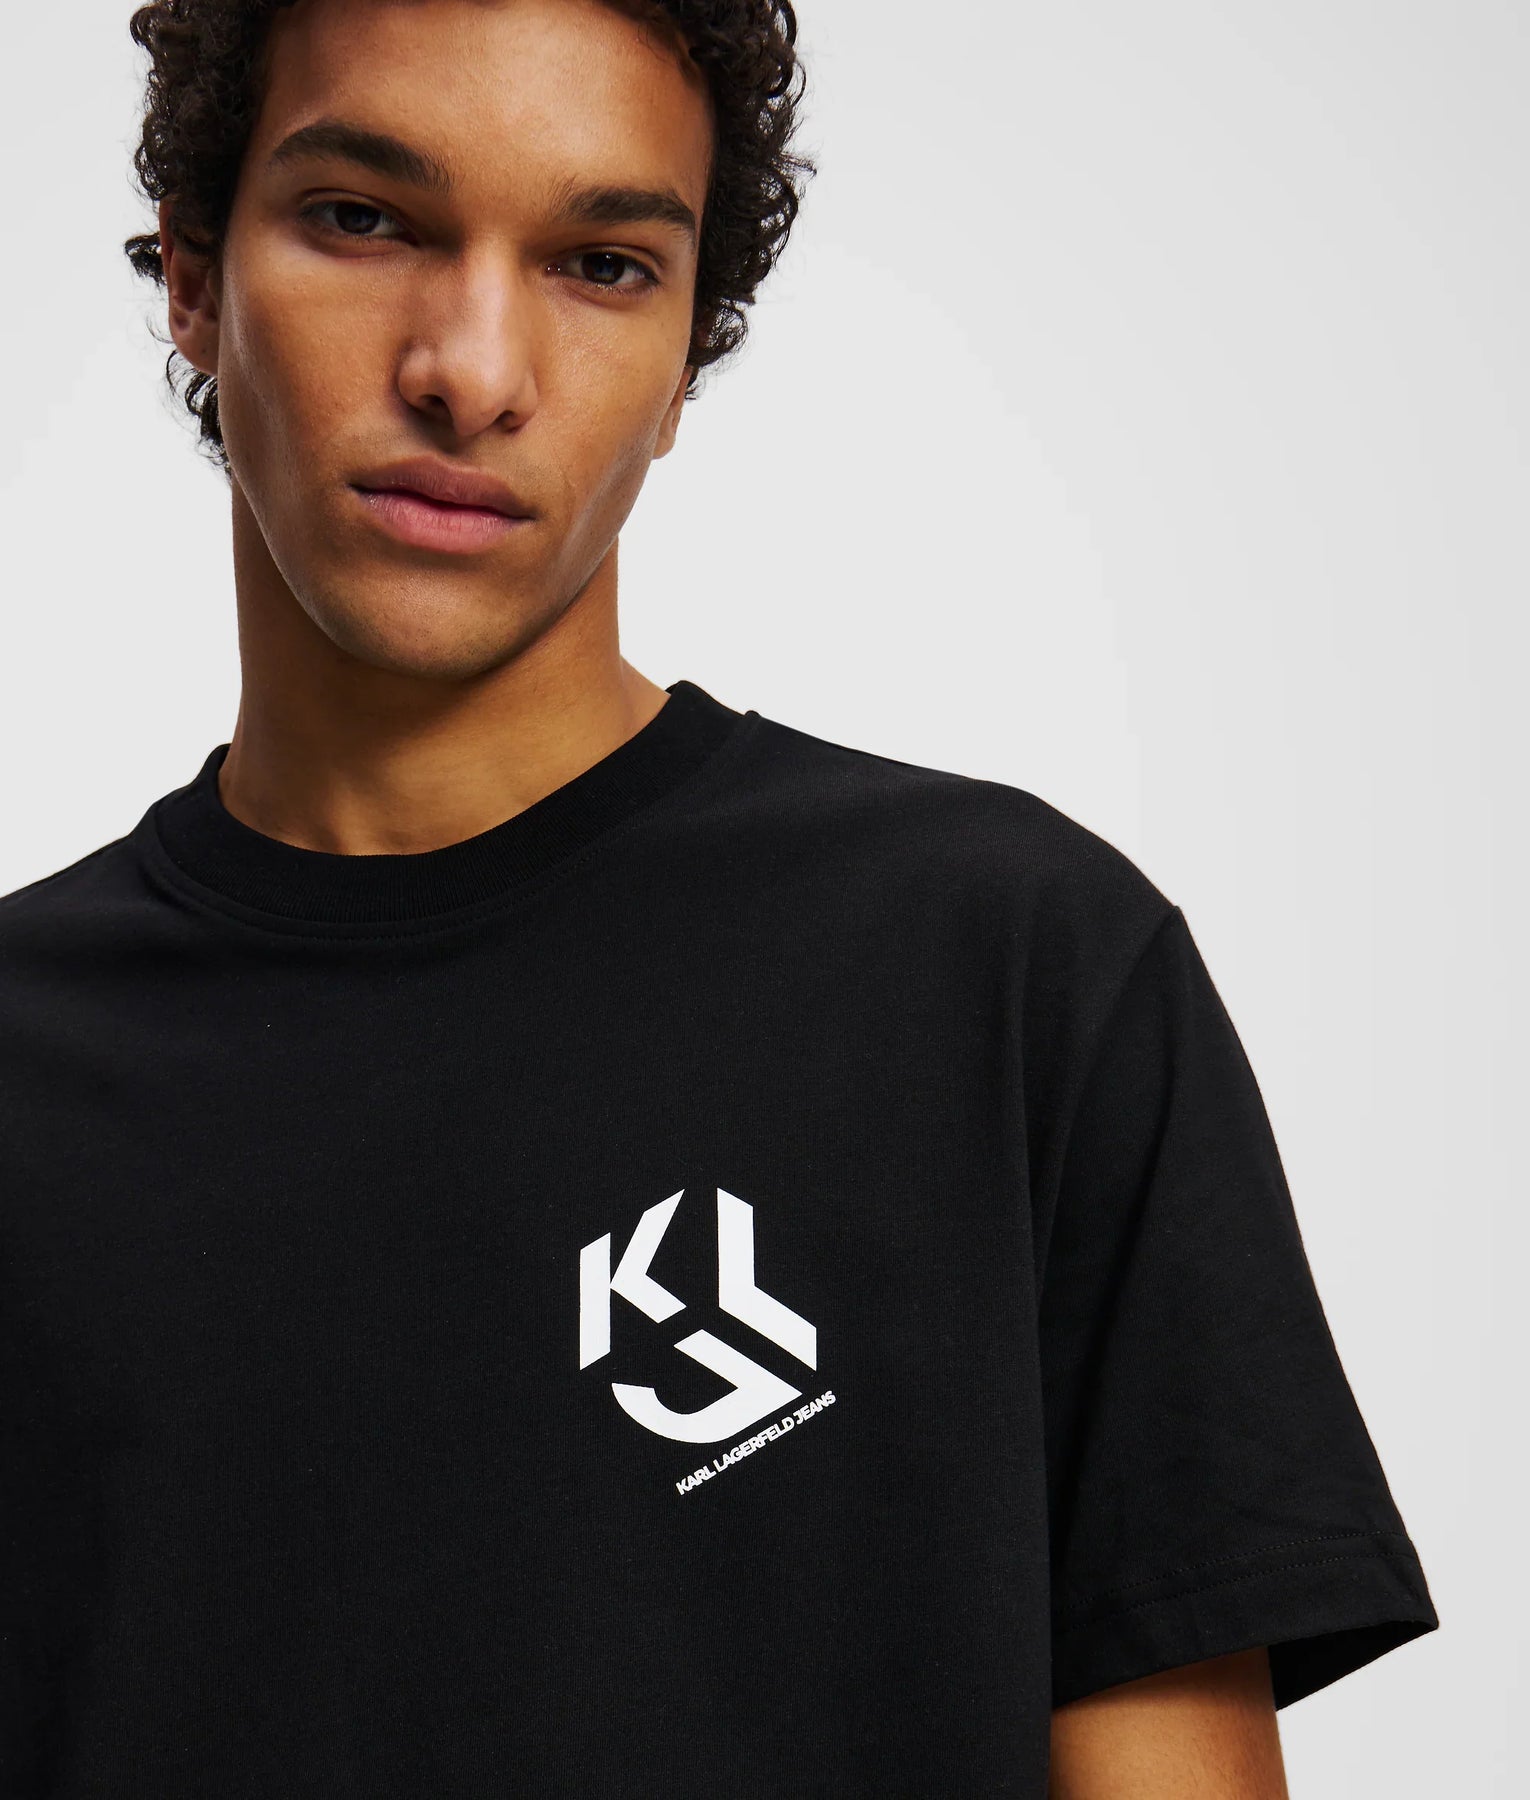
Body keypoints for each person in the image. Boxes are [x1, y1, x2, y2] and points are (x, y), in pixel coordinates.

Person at [0, 0, 1437, 1794]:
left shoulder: (1006, 972)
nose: (470, 369)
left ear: (687, 359)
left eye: (602, 264)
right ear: (196, 278)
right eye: (362, 219)